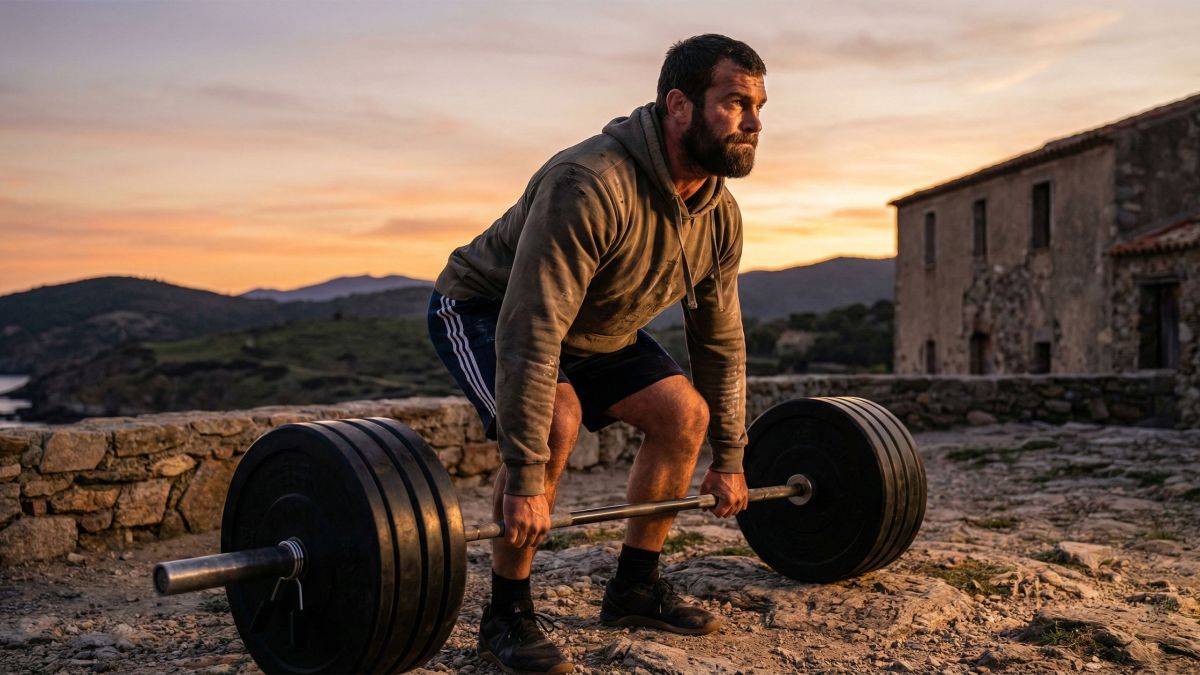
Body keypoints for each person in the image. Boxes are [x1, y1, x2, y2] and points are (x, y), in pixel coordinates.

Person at [427, 33, 766, 675]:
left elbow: (719, 341)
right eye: (735, 103)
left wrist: (730, 457)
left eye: (759, 107)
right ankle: (507, 614)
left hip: (594, 328)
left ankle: (635, 587)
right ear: (680, 106)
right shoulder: (589, 183)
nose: (752, 123)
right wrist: (525, 482)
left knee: (683, 417)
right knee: (556, 420)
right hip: (487, 309)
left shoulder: (718, 214)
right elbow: (531, 328)